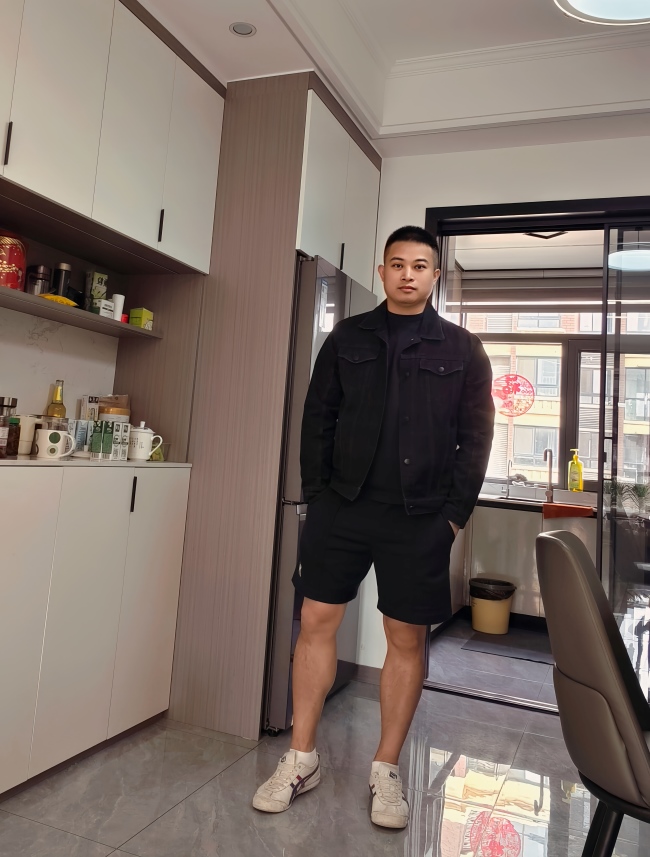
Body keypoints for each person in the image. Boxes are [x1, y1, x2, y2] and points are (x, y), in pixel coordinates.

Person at [253, 225, 495, 827]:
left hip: (421, 517)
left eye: (420, 265)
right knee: (315, 621)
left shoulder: (464, 349)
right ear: (382, 271)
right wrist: (317, 497)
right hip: (343, 506)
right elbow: (318, 419)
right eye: (397, 264)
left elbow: (476, 440)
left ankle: (386, 768)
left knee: (405, 638)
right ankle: (301, 756)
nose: (408, 274)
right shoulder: (346, 337)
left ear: (434, 276)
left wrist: (453, 518)